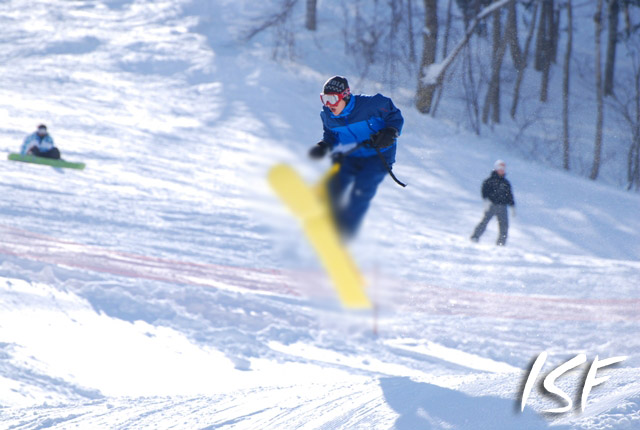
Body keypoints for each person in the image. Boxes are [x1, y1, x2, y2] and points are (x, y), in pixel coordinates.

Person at [308, 76, 404, 239]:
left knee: (361, 190)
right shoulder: (327, 115)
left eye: (332, 99)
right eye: (324, 99)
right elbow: (331, 135)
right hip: (349, 156)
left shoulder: (372, 105)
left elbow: (394, 116)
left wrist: (391, 131)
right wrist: (324, 145)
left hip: (377, 157)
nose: (328, 105)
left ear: (345, 96)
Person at [470, 159, 516, 246]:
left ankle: (501, 243)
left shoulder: (506, 183)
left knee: (504, 225)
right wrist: (486, 200)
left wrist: (512, 205)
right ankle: (475, 237)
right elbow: (484, 191)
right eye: (500, 168)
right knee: (484, 222)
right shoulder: (489, 181)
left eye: (503, 169)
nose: (502, 170)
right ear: (496, 169)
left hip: (503, 207)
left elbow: (509, 195)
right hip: (491, 205)